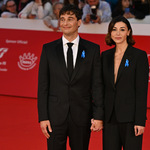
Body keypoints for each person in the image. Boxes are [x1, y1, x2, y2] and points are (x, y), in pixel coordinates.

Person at [38, 4, 104, 150]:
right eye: (62, 19)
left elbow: (97, 85)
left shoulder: (92, 50)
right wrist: (43, 117)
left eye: (70, 19)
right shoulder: (48, 49)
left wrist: (98, 116)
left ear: (79, 22)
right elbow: (43, 86)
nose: (65, 23)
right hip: (55, 116)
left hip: (82, 115)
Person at [101, 16, 149, 150]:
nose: (117, 33)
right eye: (114, 29)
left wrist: (140, 121)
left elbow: (141, 90)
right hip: (109, 118)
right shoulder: (105, 56)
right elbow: (101, 88)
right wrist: (98, 116)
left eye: (122, 30)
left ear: (128, 32)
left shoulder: (139, 56)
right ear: (110, 32)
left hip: (130, 119)